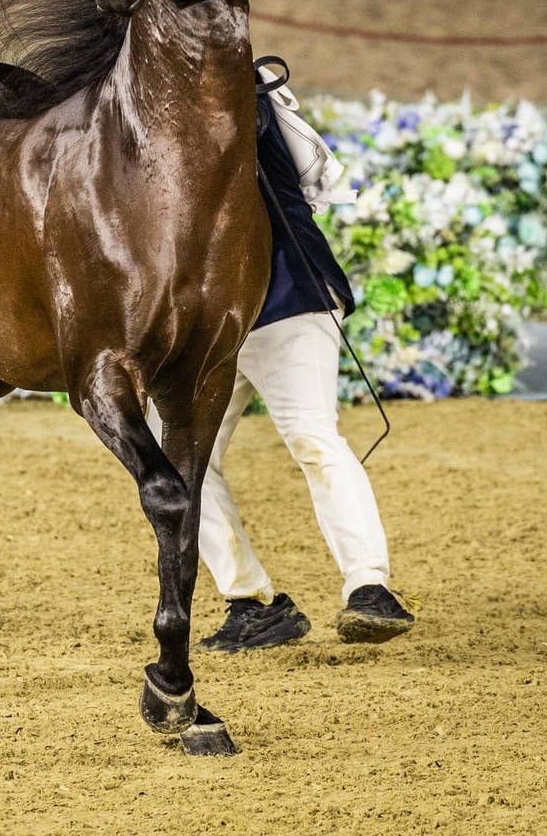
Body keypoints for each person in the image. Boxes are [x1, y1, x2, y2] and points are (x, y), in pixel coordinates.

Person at [155, 59, 414, 652]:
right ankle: (252, 602)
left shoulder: (241, 96)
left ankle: (369, 587)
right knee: (177, 462)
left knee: (313, 439)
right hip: (209, 329)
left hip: (287, 298)